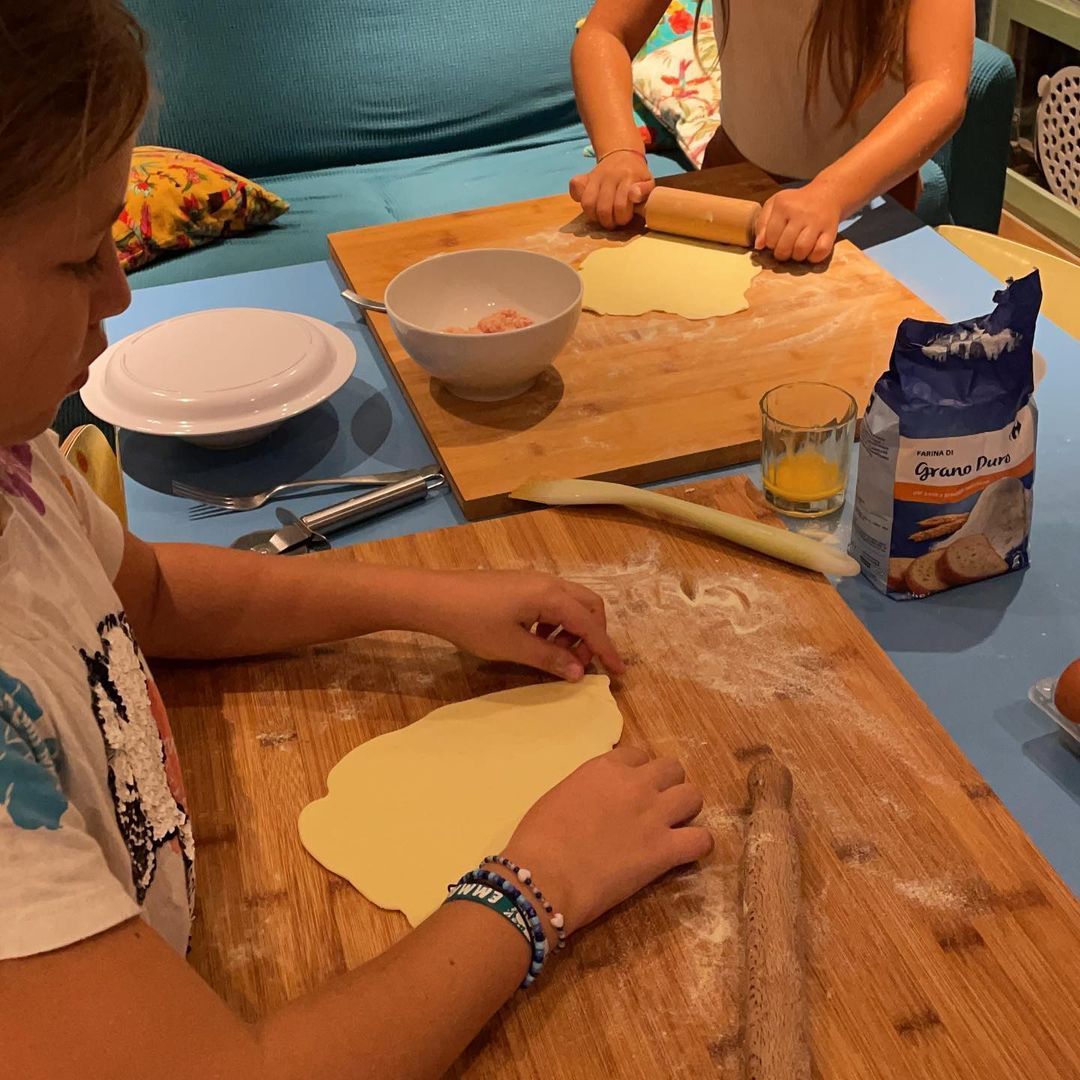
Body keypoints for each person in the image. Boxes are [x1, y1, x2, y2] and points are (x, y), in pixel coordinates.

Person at [0, 4, 712, 1076]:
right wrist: (537, 883)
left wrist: (426, 602)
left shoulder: (14, 455)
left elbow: (144, 597)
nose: (120, 288)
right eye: (74, 260)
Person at [570, 0, 973, 262]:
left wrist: (831, 193)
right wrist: (619, 152)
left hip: (866, 203)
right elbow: (606, 34)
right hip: (733, 184)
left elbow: (941, 91)